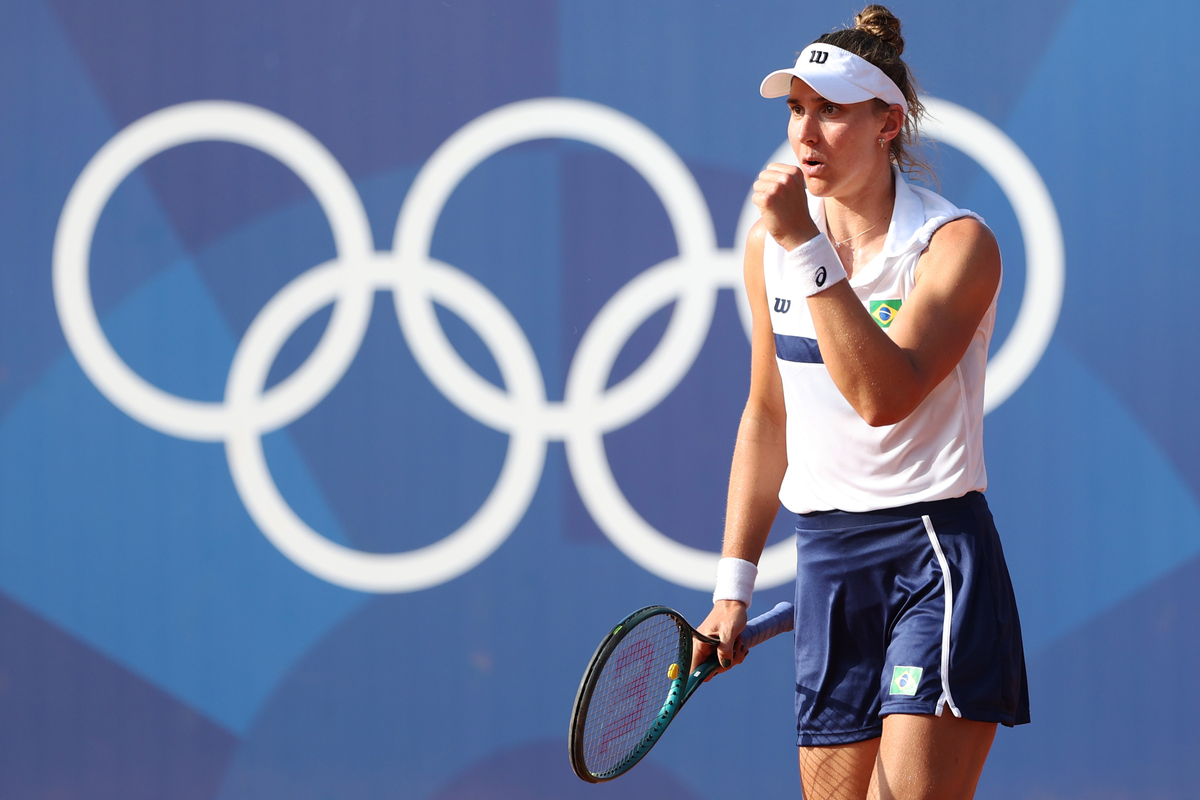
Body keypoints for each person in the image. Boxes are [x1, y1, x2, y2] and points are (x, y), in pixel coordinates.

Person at [691, 6, 1030, 799]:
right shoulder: (764, 252)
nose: (806, 133)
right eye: (796, 110)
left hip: (932, 554)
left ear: (888, 123)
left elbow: (886, 398)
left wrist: (805, 248)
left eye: (833, 112)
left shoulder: (955, 246)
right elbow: (767, 416)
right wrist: (731, 588)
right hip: (827, 562)